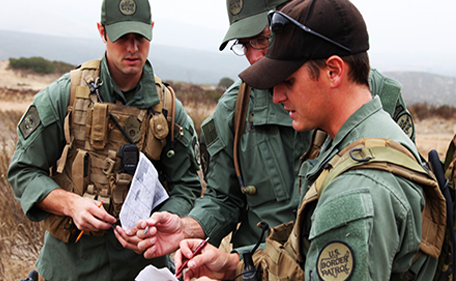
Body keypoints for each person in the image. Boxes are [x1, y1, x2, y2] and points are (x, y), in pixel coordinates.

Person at [115, 0, 416, 259]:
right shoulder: (233, 109)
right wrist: (187, 227)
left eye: (263, 38)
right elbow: (223, 198)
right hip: (259, 264)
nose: (255, 57)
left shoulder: (366, 94)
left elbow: (403, 210)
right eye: (244, 45)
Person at [173, 0, 443, 280]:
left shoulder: (351, 196)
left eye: (288, 81)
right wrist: (234, 266)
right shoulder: (364, 136)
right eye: (244, 45)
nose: (276, 95)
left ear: (334, 71)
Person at [7, 0, 202, 280]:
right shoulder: (66, 95)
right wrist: (71, 205)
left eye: (140, 37)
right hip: (71, 266)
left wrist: (160, 224)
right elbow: (23, 171)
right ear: (102, 32)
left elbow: (188, 186)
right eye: (122, 37)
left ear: (152, 31)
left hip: (144, 268)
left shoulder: (169, 109)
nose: (132, 47)